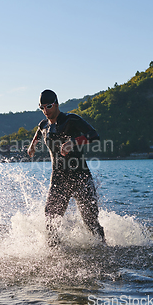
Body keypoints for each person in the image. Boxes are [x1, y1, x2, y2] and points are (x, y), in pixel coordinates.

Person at [27, 89, 105, 245]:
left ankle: (103, 247)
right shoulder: (43, 125)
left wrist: (73, 142)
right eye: (41, 107)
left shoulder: (71, 120)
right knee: (50, 219)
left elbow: (94, 135)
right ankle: (54, 253)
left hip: (80, 177)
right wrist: (32, 145)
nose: (45, 111)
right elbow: (38, 131)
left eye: (48, 106)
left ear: (56, 103)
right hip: (58, 178)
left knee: (90, 222)